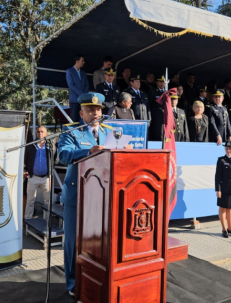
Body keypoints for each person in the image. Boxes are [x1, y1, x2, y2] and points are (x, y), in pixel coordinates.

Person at [58, 93, 131, 297]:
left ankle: (94, 278)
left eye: (98, 110)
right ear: (82, 113)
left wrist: (123, 151)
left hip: (101, 196)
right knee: (73, 242)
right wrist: (87, 151)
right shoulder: (72, 132)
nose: (96, 113)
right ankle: (73, 283)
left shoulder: (111, 132)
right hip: (76, 195)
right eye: (91, 110)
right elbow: (63, 155)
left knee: (97, 242)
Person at [23, 126, 58, 219]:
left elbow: (56, 159)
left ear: (46, 134)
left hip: (46, 178)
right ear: (36, 133)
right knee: (30, 201)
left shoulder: (51, 145)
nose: (40, 133)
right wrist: (26, 170)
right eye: (38, 132)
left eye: (42, 132)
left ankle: (46, 222)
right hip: (33, 177)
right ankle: (28, 221)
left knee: (47, 201)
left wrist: (50, 168)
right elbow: (25, 159)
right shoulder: (31, 145)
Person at [65, 55, 89, 122]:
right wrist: (81, 94)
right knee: (74, 118)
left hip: (83, 101)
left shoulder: (83, 73)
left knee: (83, 118)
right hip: (74, 100)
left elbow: (87, 85)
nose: (84, 62)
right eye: (82, 61)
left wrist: (84, 95)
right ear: (77, 61)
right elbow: (71, 85)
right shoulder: (69, 71)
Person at [149, 76, 167, 141]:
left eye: (163, 82)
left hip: (165, 117)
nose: (162, 83)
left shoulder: (167, 92)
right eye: (160, 82)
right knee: (156, 134)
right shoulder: (153, 91)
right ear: (157, 83)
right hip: (156, 117)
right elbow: (150, 104)